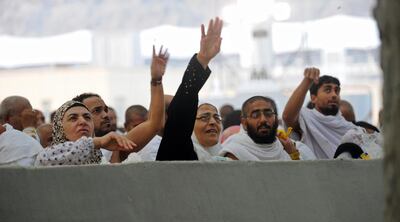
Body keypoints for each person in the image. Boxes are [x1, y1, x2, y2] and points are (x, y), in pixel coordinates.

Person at [73, 46, 167, 163]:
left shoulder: (117, 146)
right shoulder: (63, 152)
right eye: (97, 111)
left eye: (105, 110)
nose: (105, 115)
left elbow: (154, 124)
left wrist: (156, 80)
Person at [156, 17, 224, 161]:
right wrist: (202, 60)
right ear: (189, 124)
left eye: (216, 117)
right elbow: (182, 108)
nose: (212, 122)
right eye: (204, 117)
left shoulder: (227, 155)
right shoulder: (180, 148)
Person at [282, 68, 357, 159]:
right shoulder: (306, 117)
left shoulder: (350, 128)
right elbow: (287, 117)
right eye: (328, 90)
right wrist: (307, 81)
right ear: (313, 98)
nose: (334, 95)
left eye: (336, 91)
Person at [35, 101, 136, 166]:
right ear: (60, 127)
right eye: (73, 118)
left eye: (87, 117)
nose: (83, 122)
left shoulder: (98, 157)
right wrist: (98, 142)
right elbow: (44, 159)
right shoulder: (48, 156)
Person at [220, 96, 315, 161]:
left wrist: (293, 154)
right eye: (255, 115)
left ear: (276, 118)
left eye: (268, 114)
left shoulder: (292, 148)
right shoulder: (235, 151)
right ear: (244, 122)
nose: (263, 120)